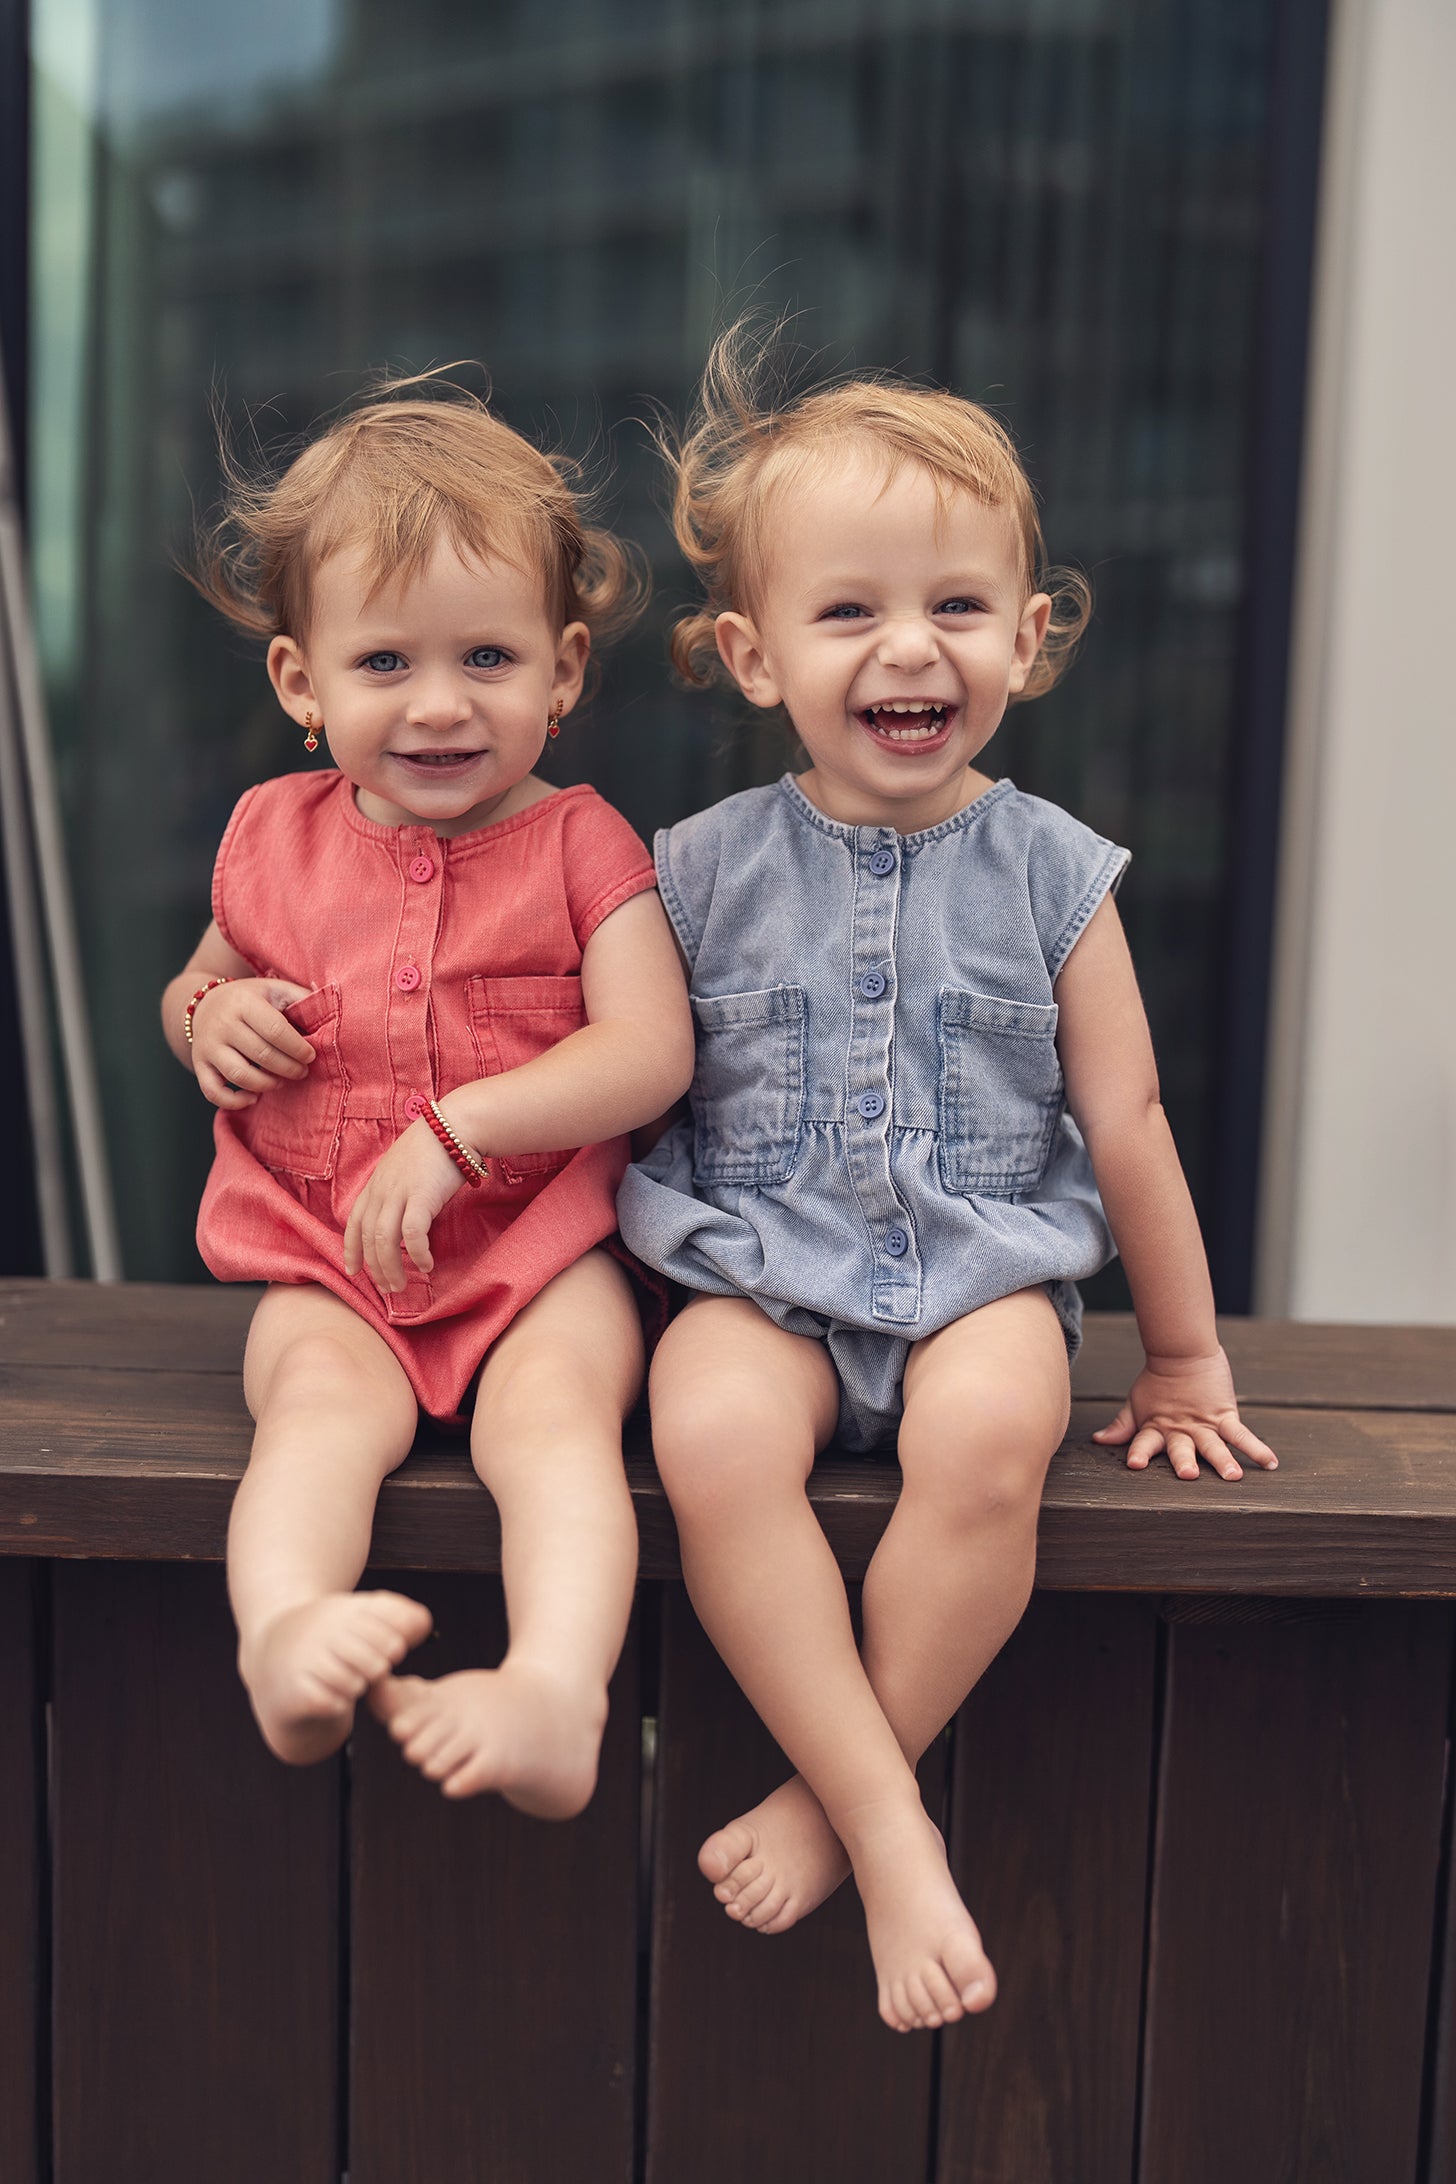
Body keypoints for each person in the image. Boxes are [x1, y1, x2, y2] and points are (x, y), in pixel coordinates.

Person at [618, 330, 1278, 2032]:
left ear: (1027, 639)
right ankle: (893, 1817)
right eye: (849, 613)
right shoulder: (686, 874)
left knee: (996, 1439)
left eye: (958, 609)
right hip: (758, 1275)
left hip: (983, 1278)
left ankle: (850, 1807)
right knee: (707, 1437)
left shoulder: (1058, 874)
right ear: (755, 656)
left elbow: (1126, 1124)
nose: (910, 646)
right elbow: (593, 1067)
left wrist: (1187, 1357)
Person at [162, 382, 694, 1816]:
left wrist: (467, 1130)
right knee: (312, 1423)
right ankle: (281, 1635)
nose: (442, 702)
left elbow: (651, 1051)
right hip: (330, 1261)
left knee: (557, 1431)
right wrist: (209, 1020)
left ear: (564, 668)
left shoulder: (583, 846)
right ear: (301, 683)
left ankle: (552, 1694)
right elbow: (197, 981)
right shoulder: (270, 838)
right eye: (385, 659)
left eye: (489, 655)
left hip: (535, 1259)